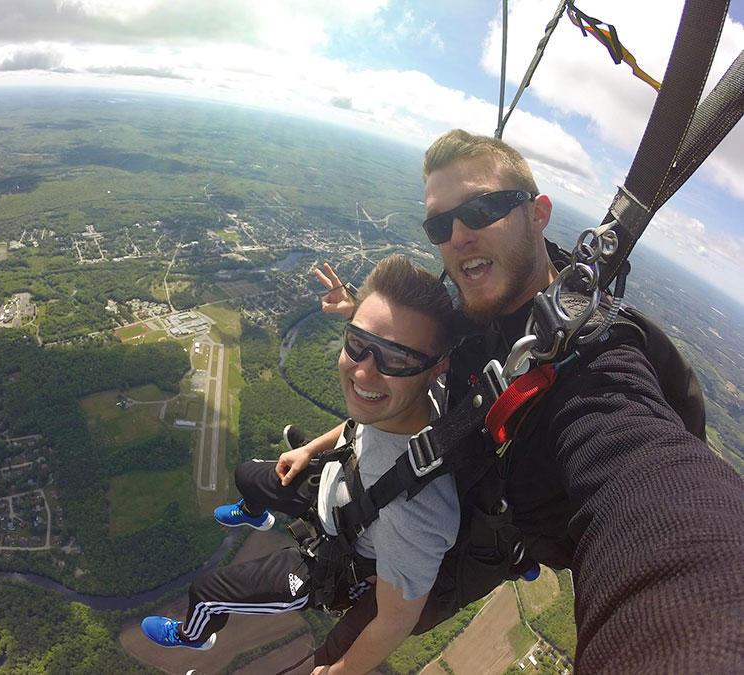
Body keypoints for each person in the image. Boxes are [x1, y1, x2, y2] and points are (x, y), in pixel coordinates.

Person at [308, 130, 744, 673]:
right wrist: (358, 314)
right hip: (430, 493)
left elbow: (656, 496)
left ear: (538, 213)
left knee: (330, 657)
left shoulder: (597, 367)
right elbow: (415, 348)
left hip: (467, 548)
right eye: (440, 225)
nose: (458, 236)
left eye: (483, 209)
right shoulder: (480, 306)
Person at [140, 254, 461, 675]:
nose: (365, 373)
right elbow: (361, 420)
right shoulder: (418, 397)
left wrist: (338, 672)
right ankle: (255, 516)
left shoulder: (419, 514)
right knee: (247, 475)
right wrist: (309, 449)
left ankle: (194, 635)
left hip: (331, 557)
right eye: (359, 343)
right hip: (338, 485)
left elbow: (395, 621)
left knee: (207, 590)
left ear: (435, 369)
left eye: (395, 359)